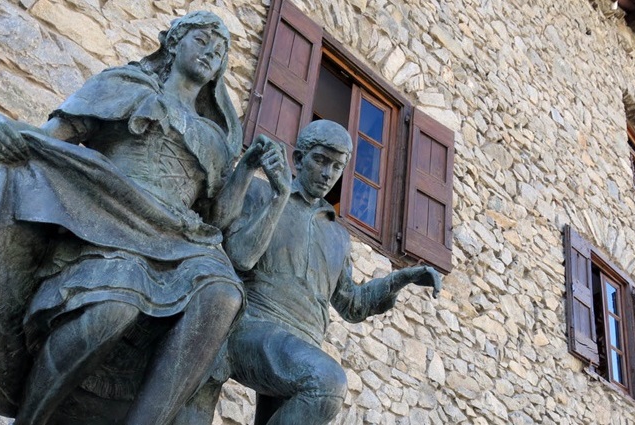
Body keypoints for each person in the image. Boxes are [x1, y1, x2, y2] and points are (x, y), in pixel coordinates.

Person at [0, 11, 288, 425]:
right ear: (173, 42)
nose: (211, 53)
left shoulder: (214, 135)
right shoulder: (124, 86)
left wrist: (246, 168)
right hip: (109, 218)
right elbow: (48, 138)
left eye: (219, 52)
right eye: (202, 41)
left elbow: (217, 218)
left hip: (182, 238)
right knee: (114, 306)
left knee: (224, 294)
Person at [175, 120, 442, 425]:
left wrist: (400, 279)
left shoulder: (338, 236)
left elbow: (351, 304)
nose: (328, 173)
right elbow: (239, 256)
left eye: (337, 166)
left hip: (302, 345)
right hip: (251, 326)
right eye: (320, 160)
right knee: (326, 383)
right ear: (299, 160)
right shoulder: (262, 192)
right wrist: (278, 197)